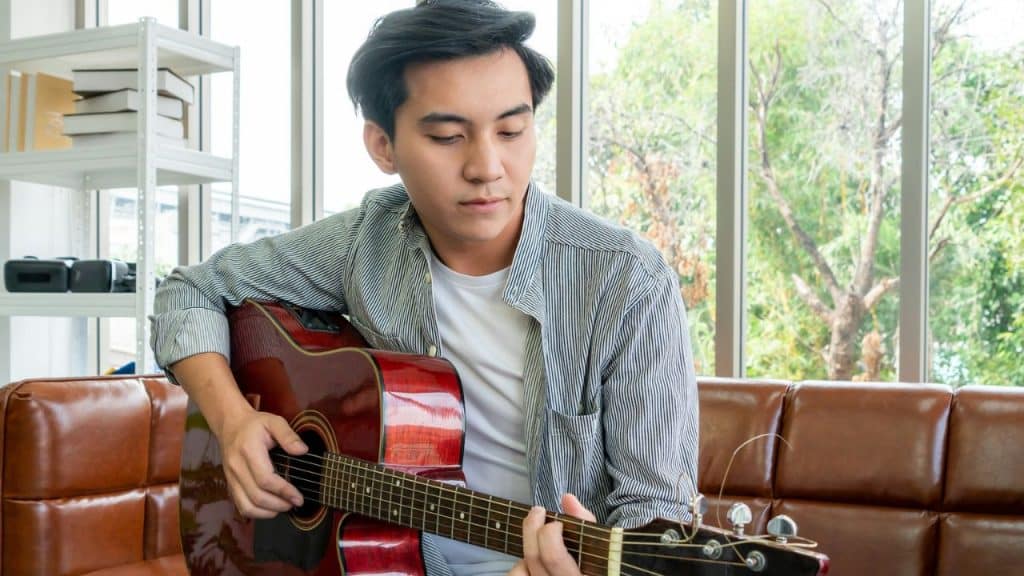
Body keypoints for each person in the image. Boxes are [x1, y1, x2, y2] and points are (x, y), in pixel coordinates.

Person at [151, 1, 699, 575]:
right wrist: (233, 422)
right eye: (447, 136)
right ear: (383, 146)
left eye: (512, 130)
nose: (487, 167)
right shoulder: (367, 241)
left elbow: (655, 513)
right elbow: (189, 292)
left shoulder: (626, 281)